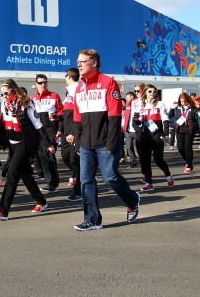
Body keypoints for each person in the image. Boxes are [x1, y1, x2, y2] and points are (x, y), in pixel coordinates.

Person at [71, 49, 140, 231]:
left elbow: (114, 116)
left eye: (82, 62)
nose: (79, 65)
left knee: (110, 178)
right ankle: (92, 220)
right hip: (86, 144)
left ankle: (132, 199)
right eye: (78, 62)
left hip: (105, 143)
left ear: (94, 62)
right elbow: (77, 117)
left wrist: (112, 142)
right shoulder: (79, 87)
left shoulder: (108, 83)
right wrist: (78, 141)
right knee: (86, 181)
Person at [0, 78, 51, 220]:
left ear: (14, 90)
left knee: (12, 174)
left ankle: (3, 210)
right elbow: (4, 122)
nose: (3, 96)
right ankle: (41, 201)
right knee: (25, 174)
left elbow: (38, 124)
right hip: (12, 143)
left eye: (6, 93)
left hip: (25, 143)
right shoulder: (4, 104)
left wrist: (48, 143)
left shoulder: (25, 103)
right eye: (1, 94)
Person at [132, 84, 174, 192]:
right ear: (145, 92)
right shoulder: (139, 104)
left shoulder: (160, 104)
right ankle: (149, 182)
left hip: (156, 136)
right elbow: (135, 119)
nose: (152, 93)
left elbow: (165, 118)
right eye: (150, 91)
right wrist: (139, 120)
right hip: (144, 136)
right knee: (145, 161)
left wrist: (165, 133)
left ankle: (168, 174)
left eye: (154, 91)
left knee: (158, 159)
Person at [30, 74, 63, 193]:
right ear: (36, 84)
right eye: (40, 83)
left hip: (51, 131)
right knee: (42, 157)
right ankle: (49, 181)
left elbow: (61, 113)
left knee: (50, 156)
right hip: (38, 132)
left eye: (45, 82)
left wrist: (60, 129)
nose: (43, 84)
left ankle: (53, 183)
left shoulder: (54, 96)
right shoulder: (32, 99)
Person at [59, 67, 82, 201]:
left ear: (69, 77)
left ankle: (78, 190)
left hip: (75, 132)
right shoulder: (68, 93)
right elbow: (66, 114)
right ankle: (77, 176)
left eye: (65, 77)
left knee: (74, 160)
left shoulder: (78, 90)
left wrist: (73, 132)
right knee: (65, 157)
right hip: (65, 132)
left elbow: (79, 115)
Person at [172, 93, 199, 173]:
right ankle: (188, 161)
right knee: (180, 147)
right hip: (180, 128)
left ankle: (189, 165)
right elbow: (173, 117)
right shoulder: (178, 108)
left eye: (185, 101)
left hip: (189, 130)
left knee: (188, 147)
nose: (184, 102)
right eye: (182, 101)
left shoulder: (193, 109)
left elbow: (196, 118)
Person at [120, 91, 138, 166]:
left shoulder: (137, 105)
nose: (127, 98)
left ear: (132, 97)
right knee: (129, 146)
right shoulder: (127, 106)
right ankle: (132, 160)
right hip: (127, 129)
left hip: (136, 129)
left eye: (128, 97)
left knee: (137, 145)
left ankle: (143, 158)